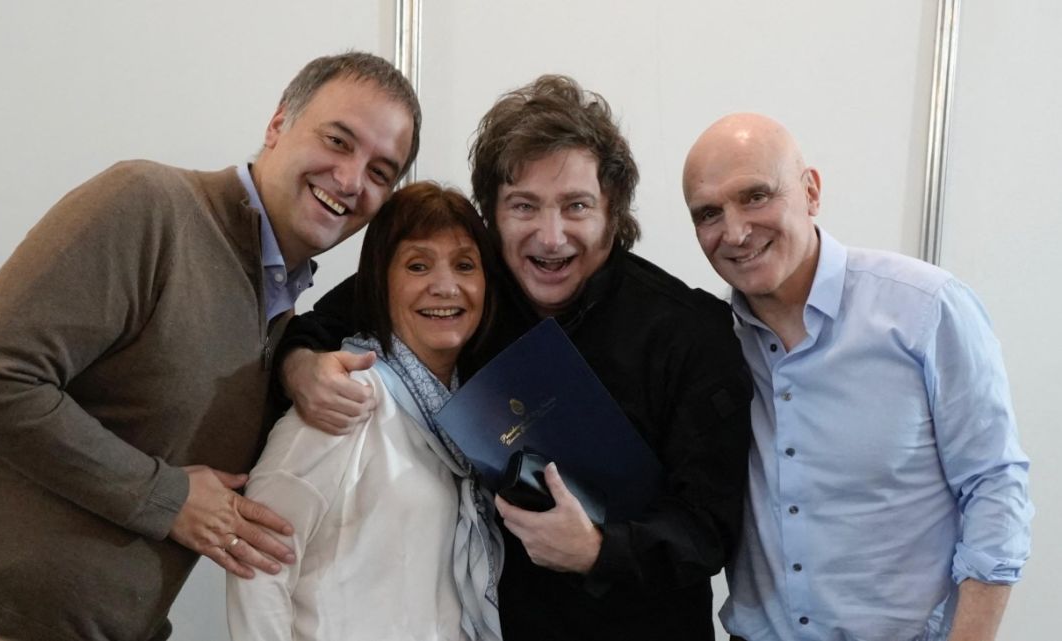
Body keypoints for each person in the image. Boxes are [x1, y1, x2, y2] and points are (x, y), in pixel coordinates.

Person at [0, 51, 419, 641]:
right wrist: (169, 496)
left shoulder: (280, 312)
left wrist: (294, 363)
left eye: (380, 172)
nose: (350, 179)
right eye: (338, 140)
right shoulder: (150, 205)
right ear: (278, 124)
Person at [275, 75, 753, 640]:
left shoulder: (691, 331)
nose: (550, 239)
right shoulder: (467, 288)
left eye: (576, 206)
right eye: (524, 206)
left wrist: (599, 550)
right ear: (492, 215)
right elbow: (328, 320)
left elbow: (709, 529)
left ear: (613, 212)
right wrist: (299, 362)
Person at [681, 112, 1033, 641]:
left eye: (755, 196)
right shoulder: (710, 342)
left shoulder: (925, 310)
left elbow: (994, 487)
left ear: (811, 191)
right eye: (709, 213)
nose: (734, 231)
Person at [227, 182, 502, 641]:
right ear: (379, 282)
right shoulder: (345, 398)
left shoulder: (467, 424)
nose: (445, 286)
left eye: (465, 265)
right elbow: (256, 566)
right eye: (418, 265)